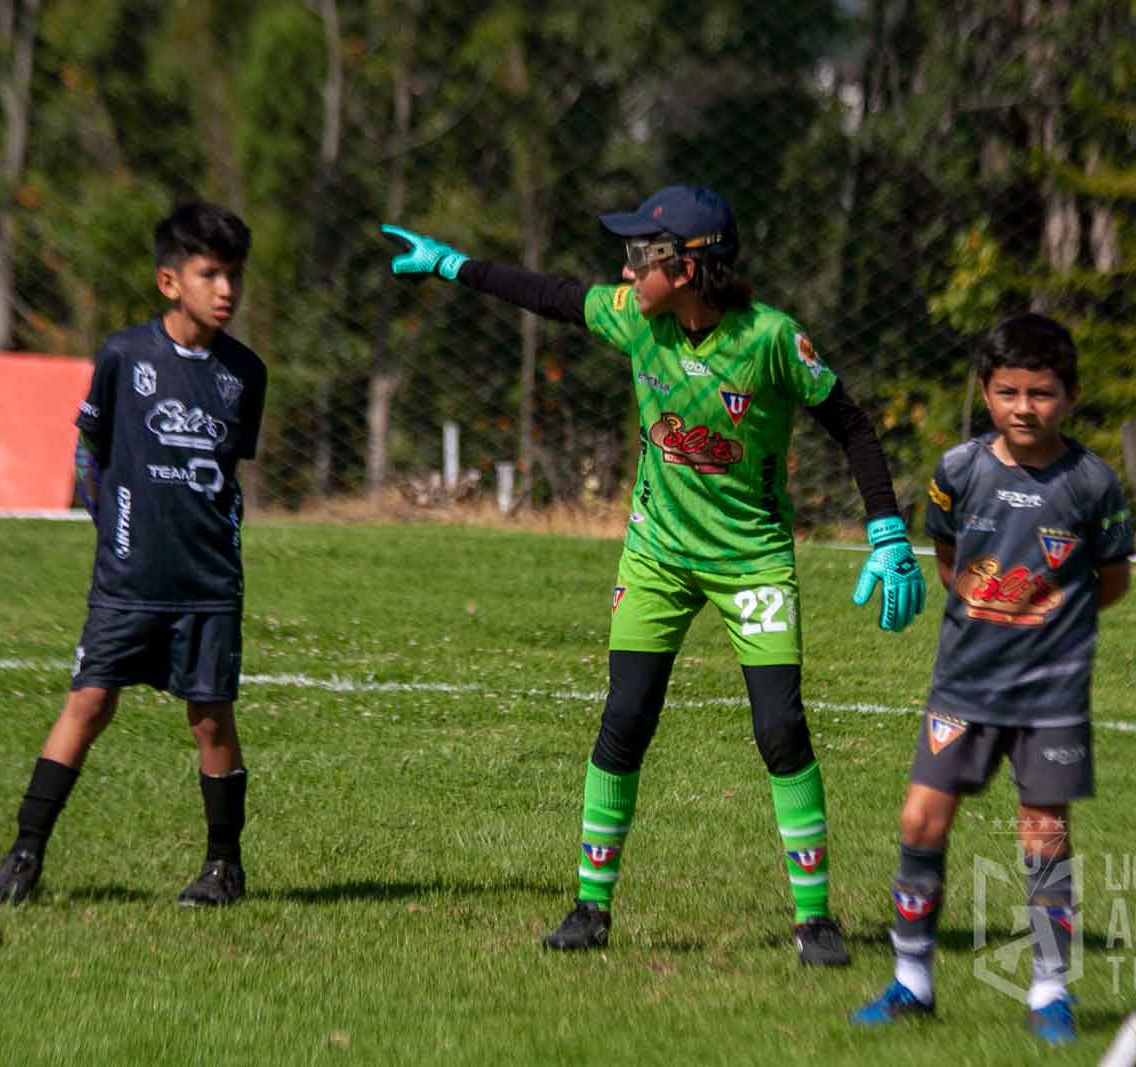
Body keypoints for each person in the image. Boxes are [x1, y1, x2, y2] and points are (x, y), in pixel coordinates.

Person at [381, 184, 925, 965]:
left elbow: (851, 425)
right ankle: (590, 907)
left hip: (752, 562)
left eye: (643, 254)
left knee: (780, 727)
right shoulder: (637, 318)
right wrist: (451, 264)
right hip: (657, 557)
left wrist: (886, 530)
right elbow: (551, 295)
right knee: (627, 715)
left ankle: (815, 919)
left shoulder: (771, 338)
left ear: (691, 266)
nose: (626, 269)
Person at [848, 314, 1134, 1043]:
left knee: (1044, 833)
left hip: (1050, 693)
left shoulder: (1093, 483)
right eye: (1008, 392)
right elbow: (949, 561)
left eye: (1041, 393)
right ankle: (911, 982)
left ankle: (1050, 991)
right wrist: (994, 611)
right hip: (964, 685)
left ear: (1070, 395)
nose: (1024, 407)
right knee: (920, 819)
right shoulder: (957, 470)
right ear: (986, 392)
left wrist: (1045, 620)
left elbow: (1112, 580)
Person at [0, 201, 267, 908]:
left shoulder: (245, 373)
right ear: (170, 281)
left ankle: (223, 867)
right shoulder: (125, 355)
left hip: (207, 582)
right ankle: (25, 853)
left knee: (211, 716)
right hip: (128, 576)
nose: (226, 289)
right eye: (210, 274)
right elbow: (90, 446)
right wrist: (109, 522)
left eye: (234, 275)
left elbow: (229, 473)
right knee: (89, 700)